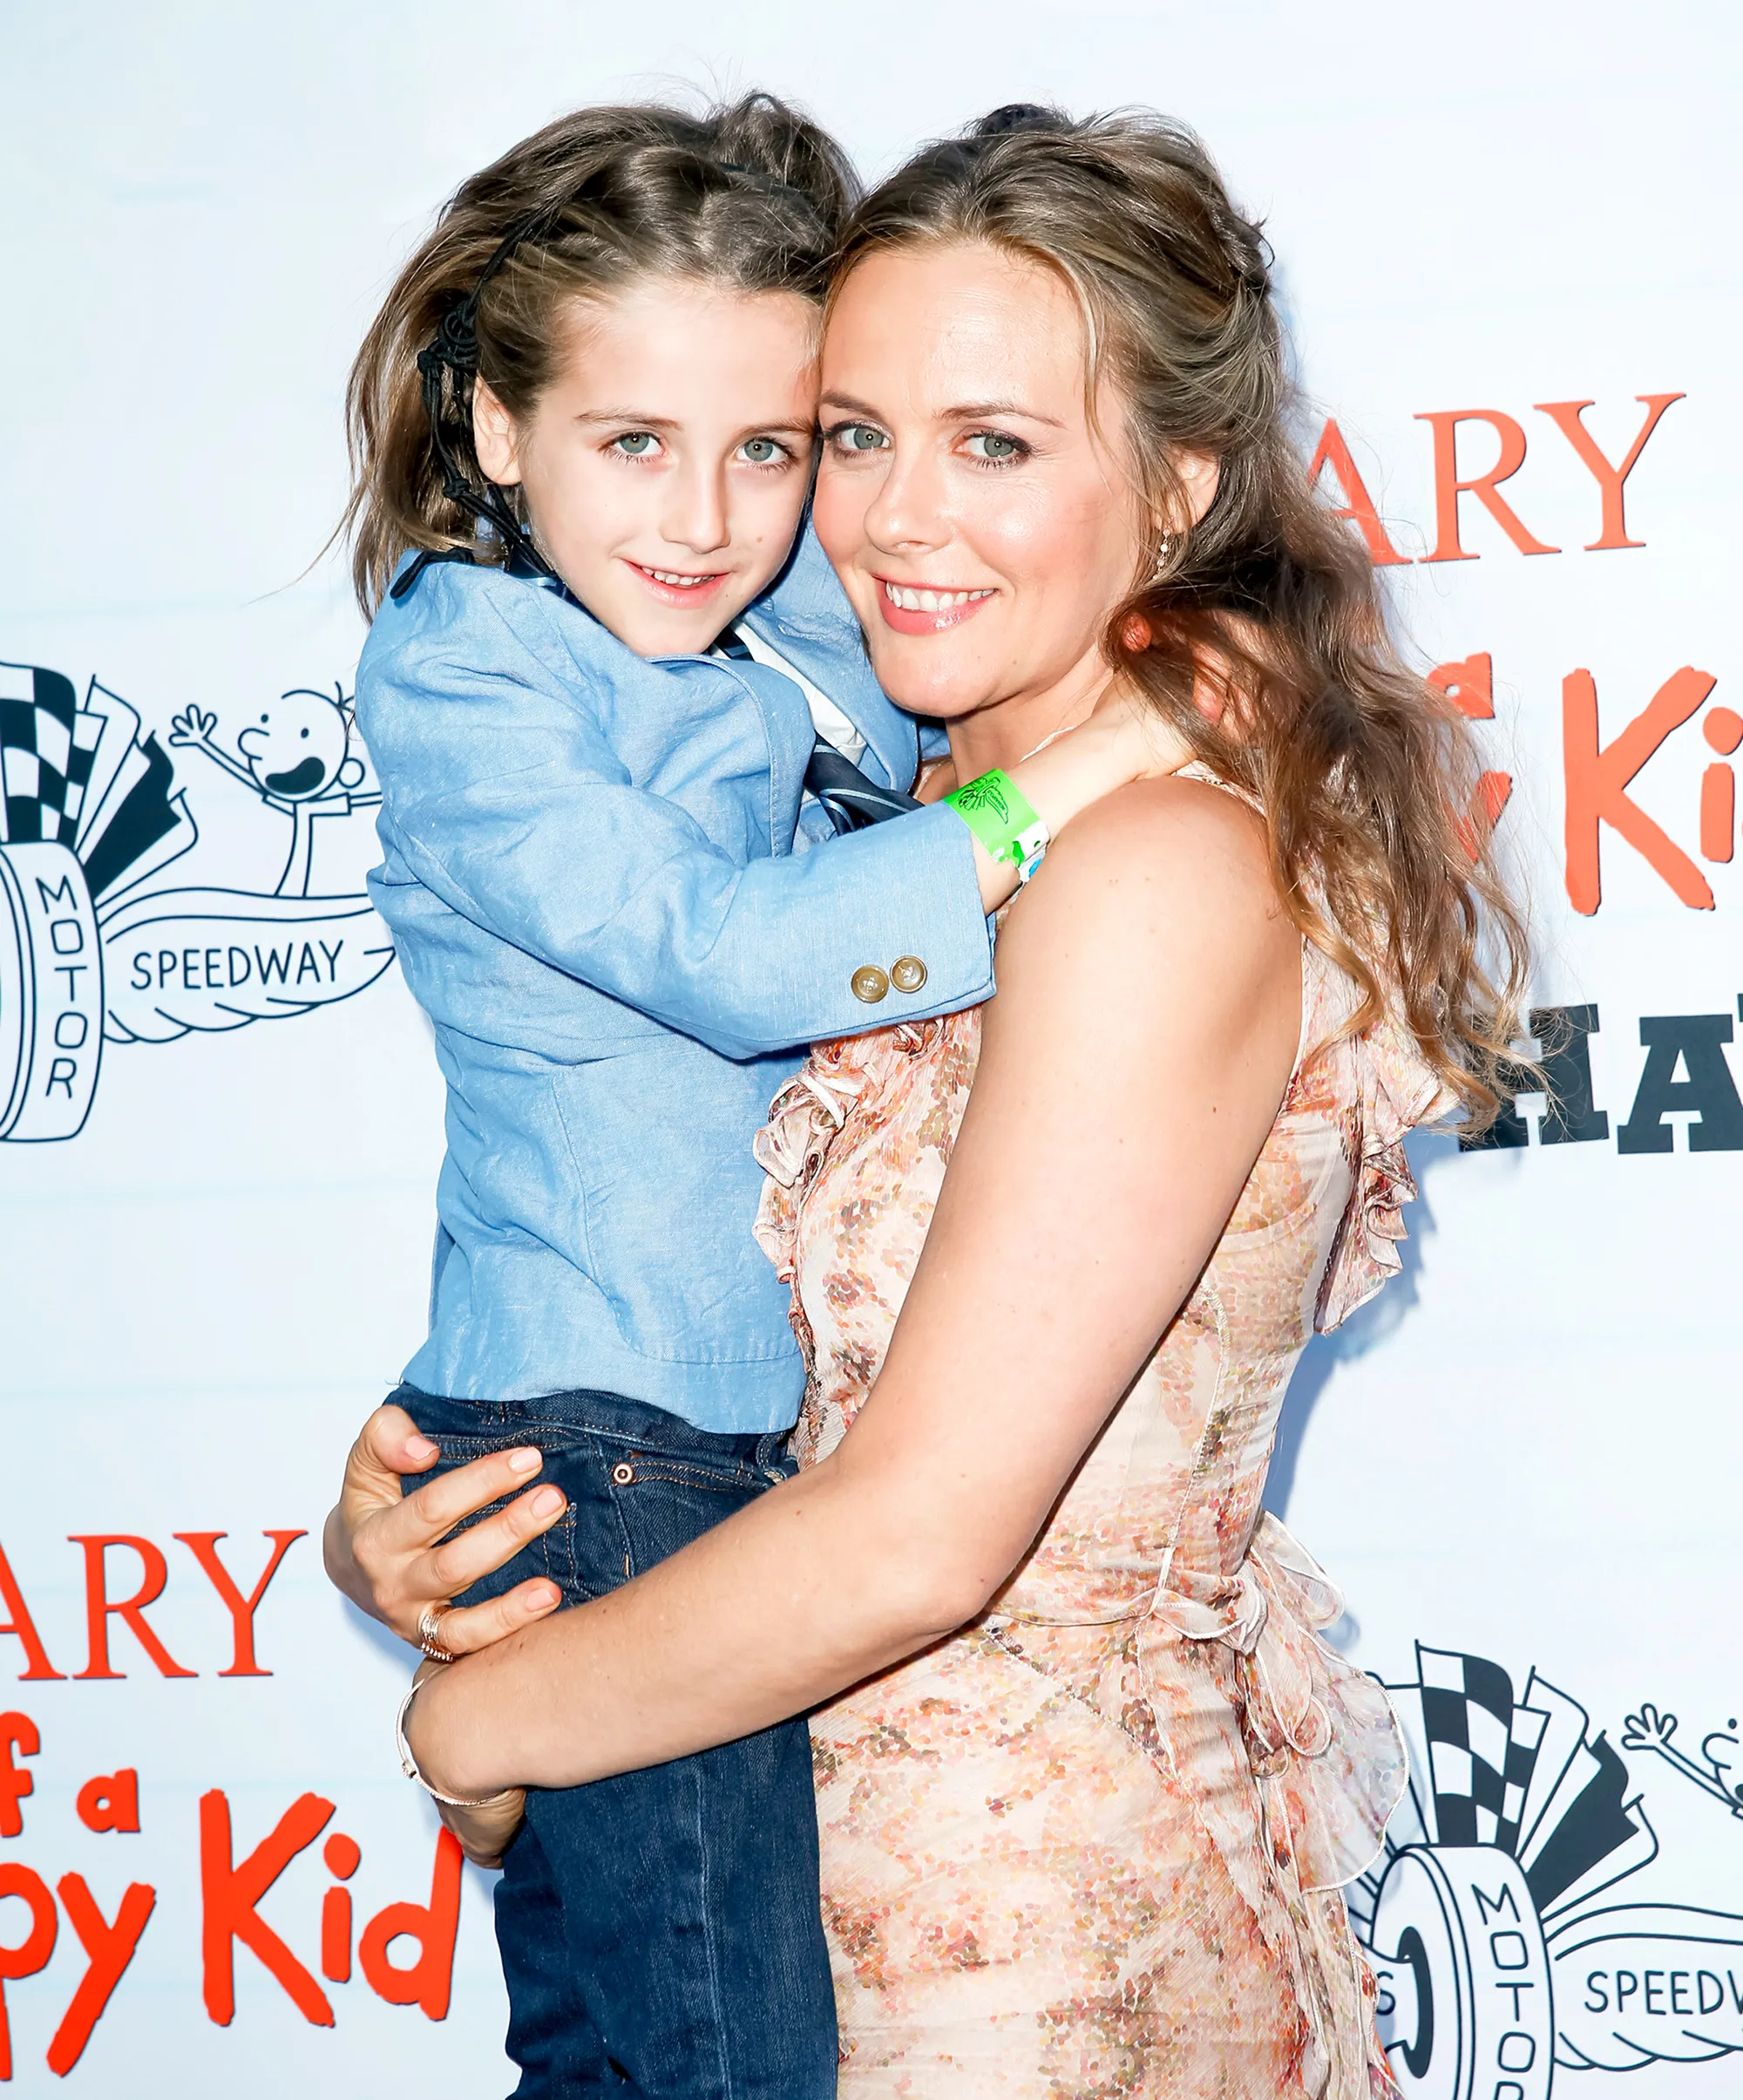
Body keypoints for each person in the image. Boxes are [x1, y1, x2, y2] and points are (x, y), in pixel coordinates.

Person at [337, 105, 1530, 2097]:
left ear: (1175, 486)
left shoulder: (1149, 867)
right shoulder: (883, 824)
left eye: (993, 444)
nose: (891, 517)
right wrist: (449, 1508)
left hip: (1018, 1970)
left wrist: (478, 1719)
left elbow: (917, 1535)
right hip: (786, 1868)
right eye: (853, 433)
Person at [325, 91, 1176, 2100]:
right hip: (604, 1445)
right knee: (710, 2064)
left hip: (718, 1464)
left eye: (775, 445)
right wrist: (1073, 781)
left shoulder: (773, 605)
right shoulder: (467, 665)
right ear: (496, 429)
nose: (707, 515)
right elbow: (720, 955)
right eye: (633, 440)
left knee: (641, 2049)